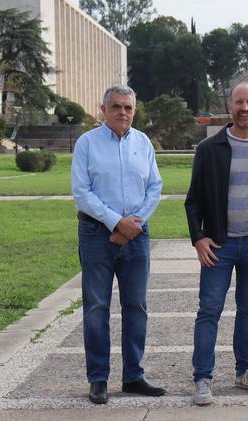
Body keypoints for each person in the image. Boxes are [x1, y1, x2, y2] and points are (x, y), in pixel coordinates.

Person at [185, 82, 248, 406]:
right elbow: (193, 201)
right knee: (209, 310)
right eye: (239, 102)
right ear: (229, 106)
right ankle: (203, 378)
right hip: (219, 243)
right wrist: (198, 238)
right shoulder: (209, 148)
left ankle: (245, 372)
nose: (245, 108)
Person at [71, 85, 165, 404]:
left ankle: (133, 376)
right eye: (116, 106)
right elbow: (82, 192)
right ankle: (98, 378)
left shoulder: (143, 143)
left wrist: (131, 224)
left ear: (134, 111)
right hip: (97, 235)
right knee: (97, 307)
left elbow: (155, 186)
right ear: (103, 109)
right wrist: (115, 222)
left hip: (136, 236)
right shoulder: (87, 143)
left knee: (136, 307)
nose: (122, 112)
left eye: (128, 107)